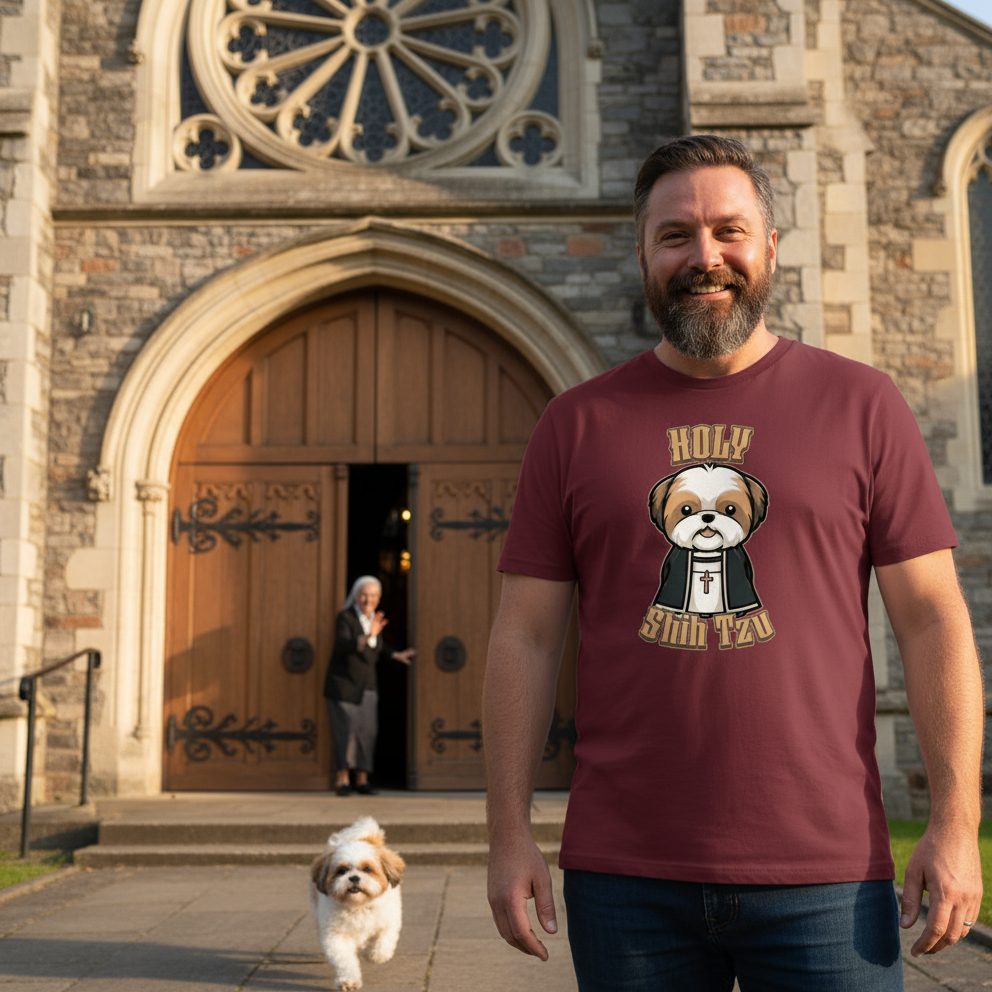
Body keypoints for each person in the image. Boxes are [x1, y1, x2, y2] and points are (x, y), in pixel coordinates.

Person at [484, 135, 984, 991]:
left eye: (729, 231)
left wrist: (953, 823)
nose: (704, 257)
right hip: (625, 876)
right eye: (675, 235)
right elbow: (524, 637)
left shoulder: (863, 405)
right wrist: (508, 834)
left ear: (770, 247)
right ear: (642, 253)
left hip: (826, 872)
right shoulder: (574, 426)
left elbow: (934, 617)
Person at [324, 575, 415, 796]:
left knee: (367, 733)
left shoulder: (375, 619)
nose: (368, 600)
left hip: (367, 685)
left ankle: (362, 780)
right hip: (344, 686)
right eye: (364, 595)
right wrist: (367, 636)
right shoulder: (346, 618)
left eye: (373, 596)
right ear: (355, 595)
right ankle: (342, 780)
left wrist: (395, 655)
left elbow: (379, 648)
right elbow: (343, 645)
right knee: (344, 734)